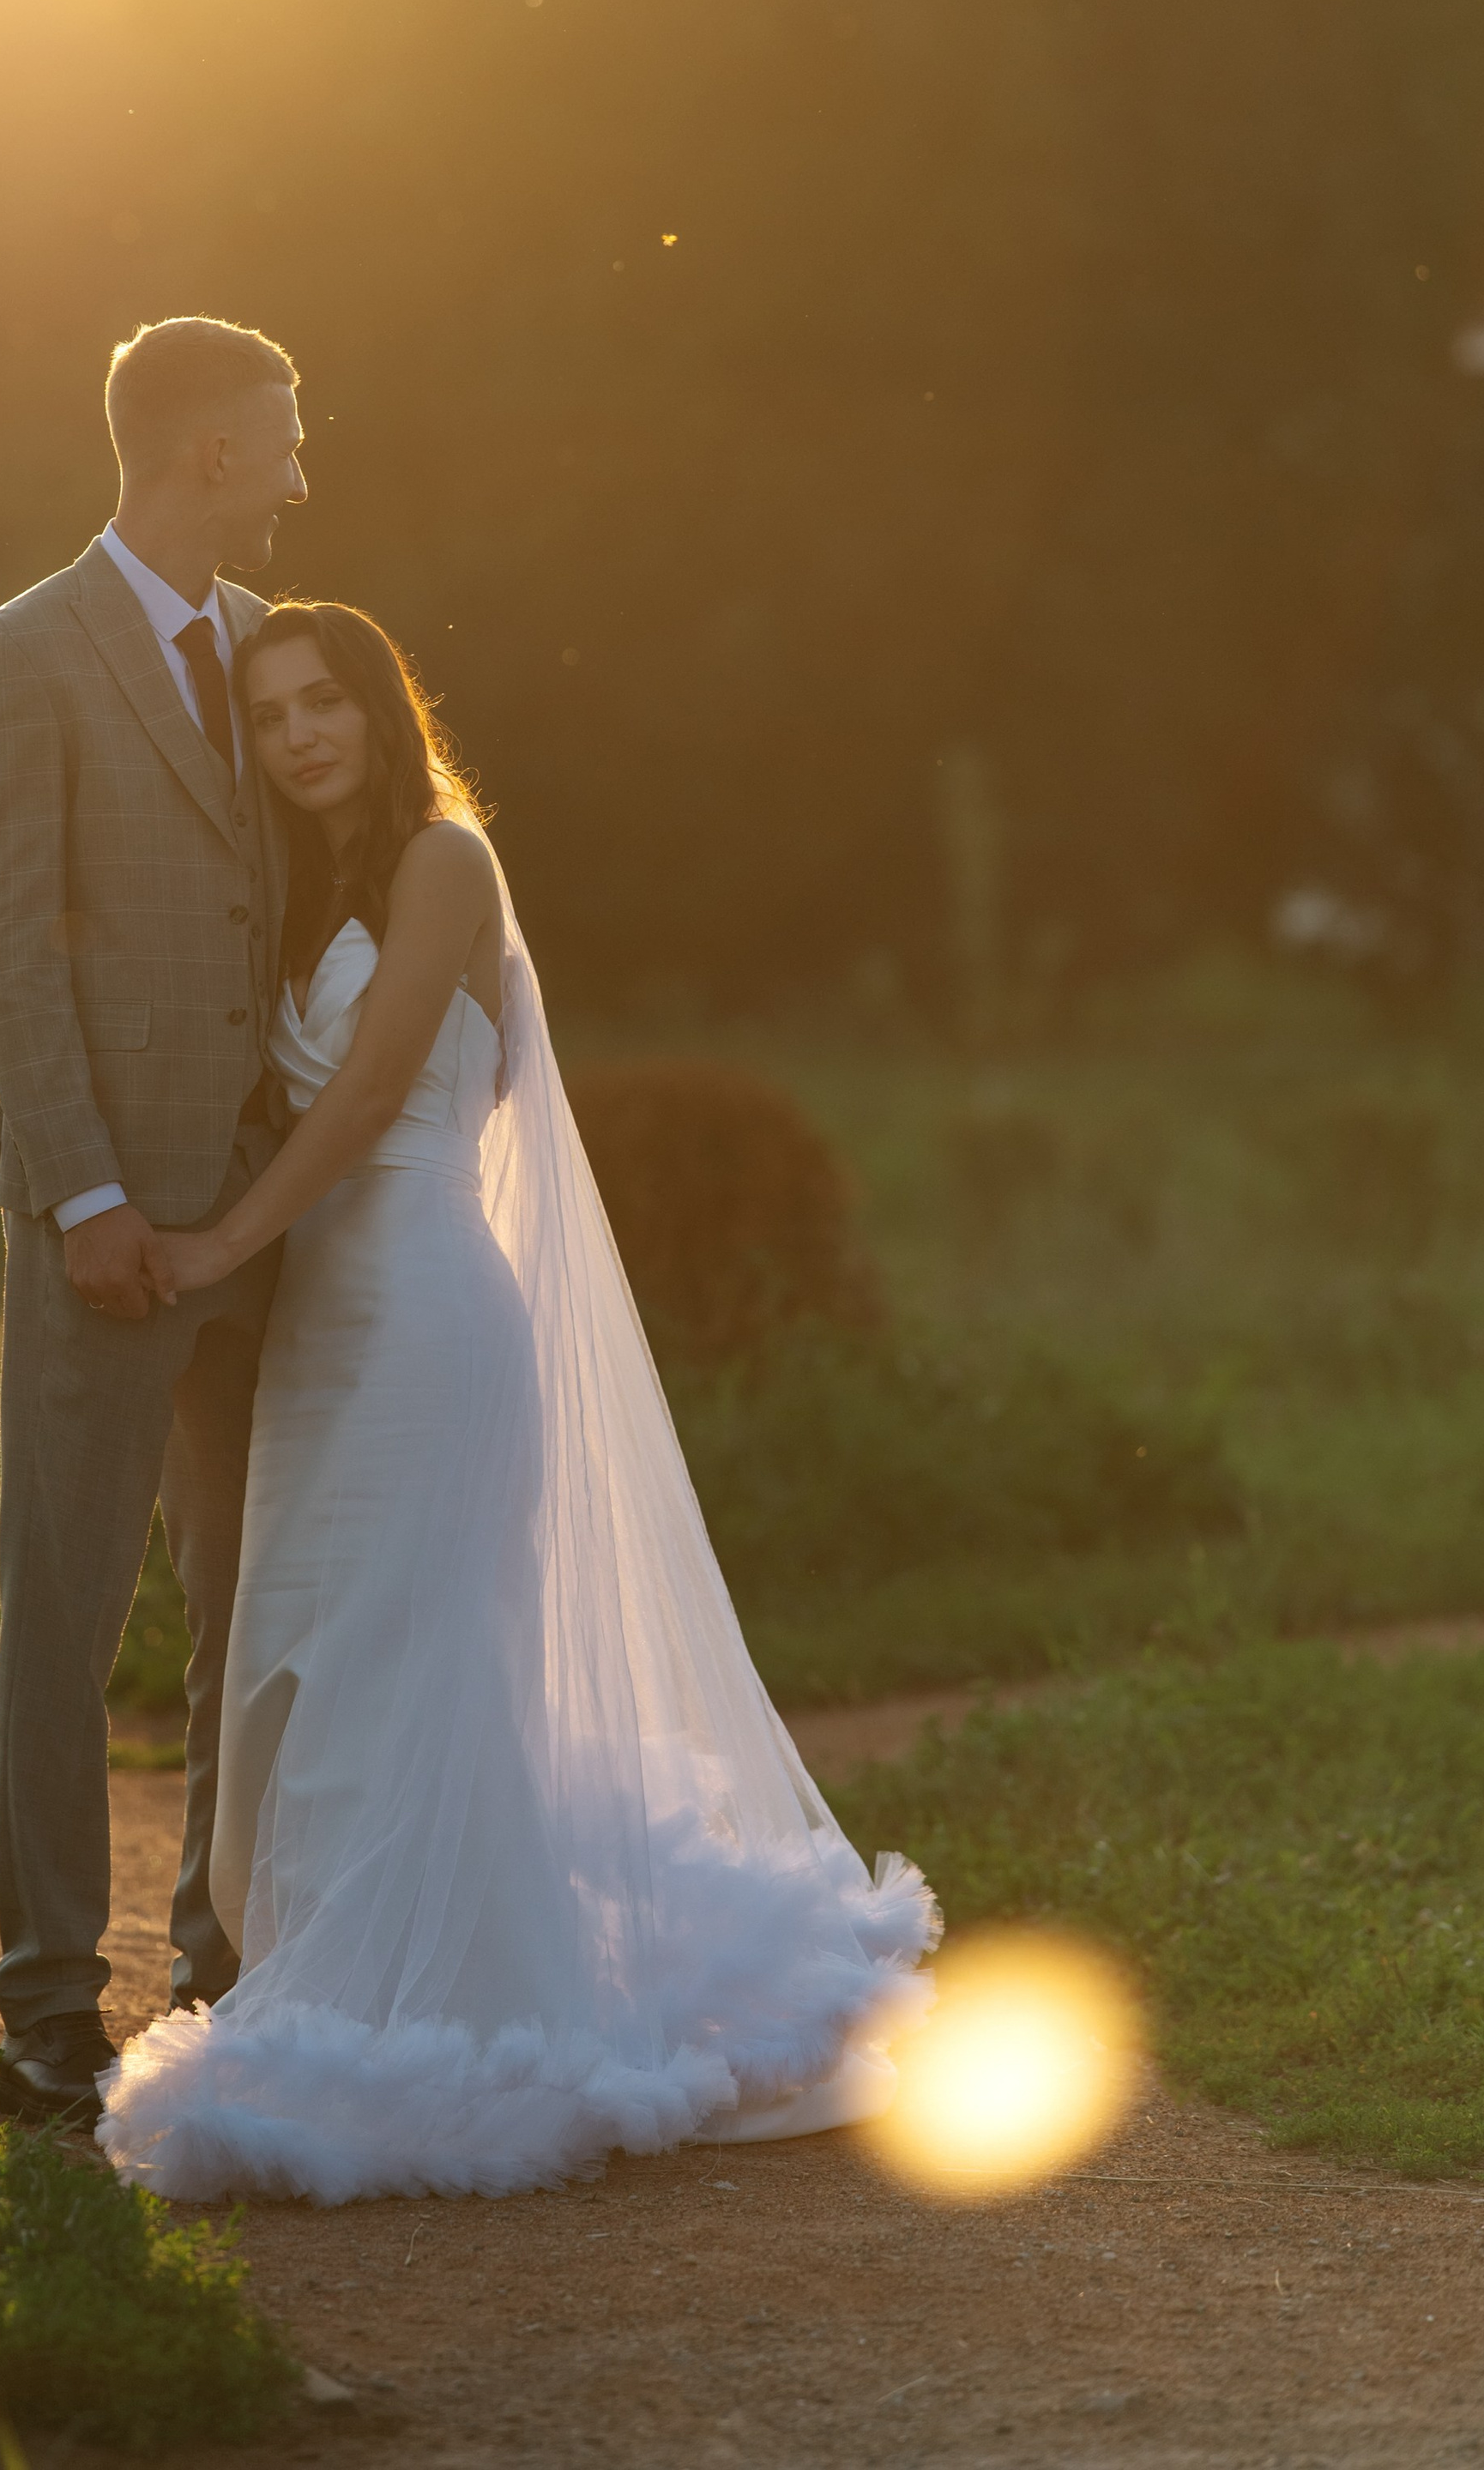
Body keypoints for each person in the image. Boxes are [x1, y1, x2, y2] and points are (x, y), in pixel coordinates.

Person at [95, 601, 937, 2201]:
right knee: (301, 1656)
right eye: (269, 717)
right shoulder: (290, 896)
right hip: (320, 1333)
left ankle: (458, 2016)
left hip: (422, 1302)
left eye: (324, 701)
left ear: (378, 708)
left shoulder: (441, 863)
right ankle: (347, 1977)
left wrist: (218, 1241)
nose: (300, 737)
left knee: (414, 1659)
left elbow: (369, 1089)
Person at [0, 315, 306, 2130]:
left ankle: (214, 1963)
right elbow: (8, 944)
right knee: (64, 1614)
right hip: (102, 1213)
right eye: (283, 438)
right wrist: (84, 1188)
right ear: (206, 454)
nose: (304, 473)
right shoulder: (14, 654)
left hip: (260, 1220)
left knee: (245, 1606)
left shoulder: (267, 653)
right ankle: (40, 2013)